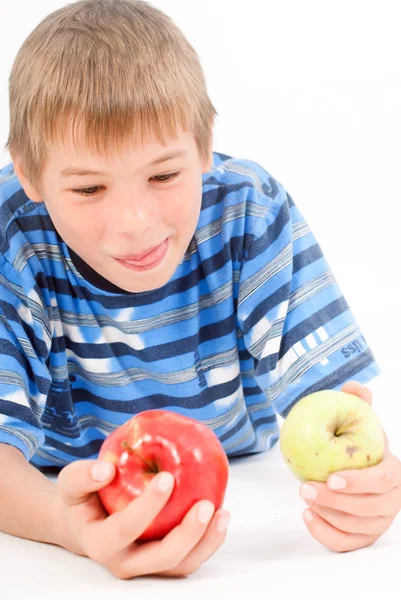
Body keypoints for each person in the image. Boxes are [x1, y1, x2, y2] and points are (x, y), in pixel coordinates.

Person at [0, 0, 399, 580]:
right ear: (30, 175)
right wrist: (68, 528)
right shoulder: (11, 238)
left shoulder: (249, 211)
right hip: (53, 488)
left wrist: (367, 487)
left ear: (205, 145)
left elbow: (333, 406)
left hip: (242, 464)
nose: (134, 221)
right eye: (89, 188)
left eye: (164, 175)